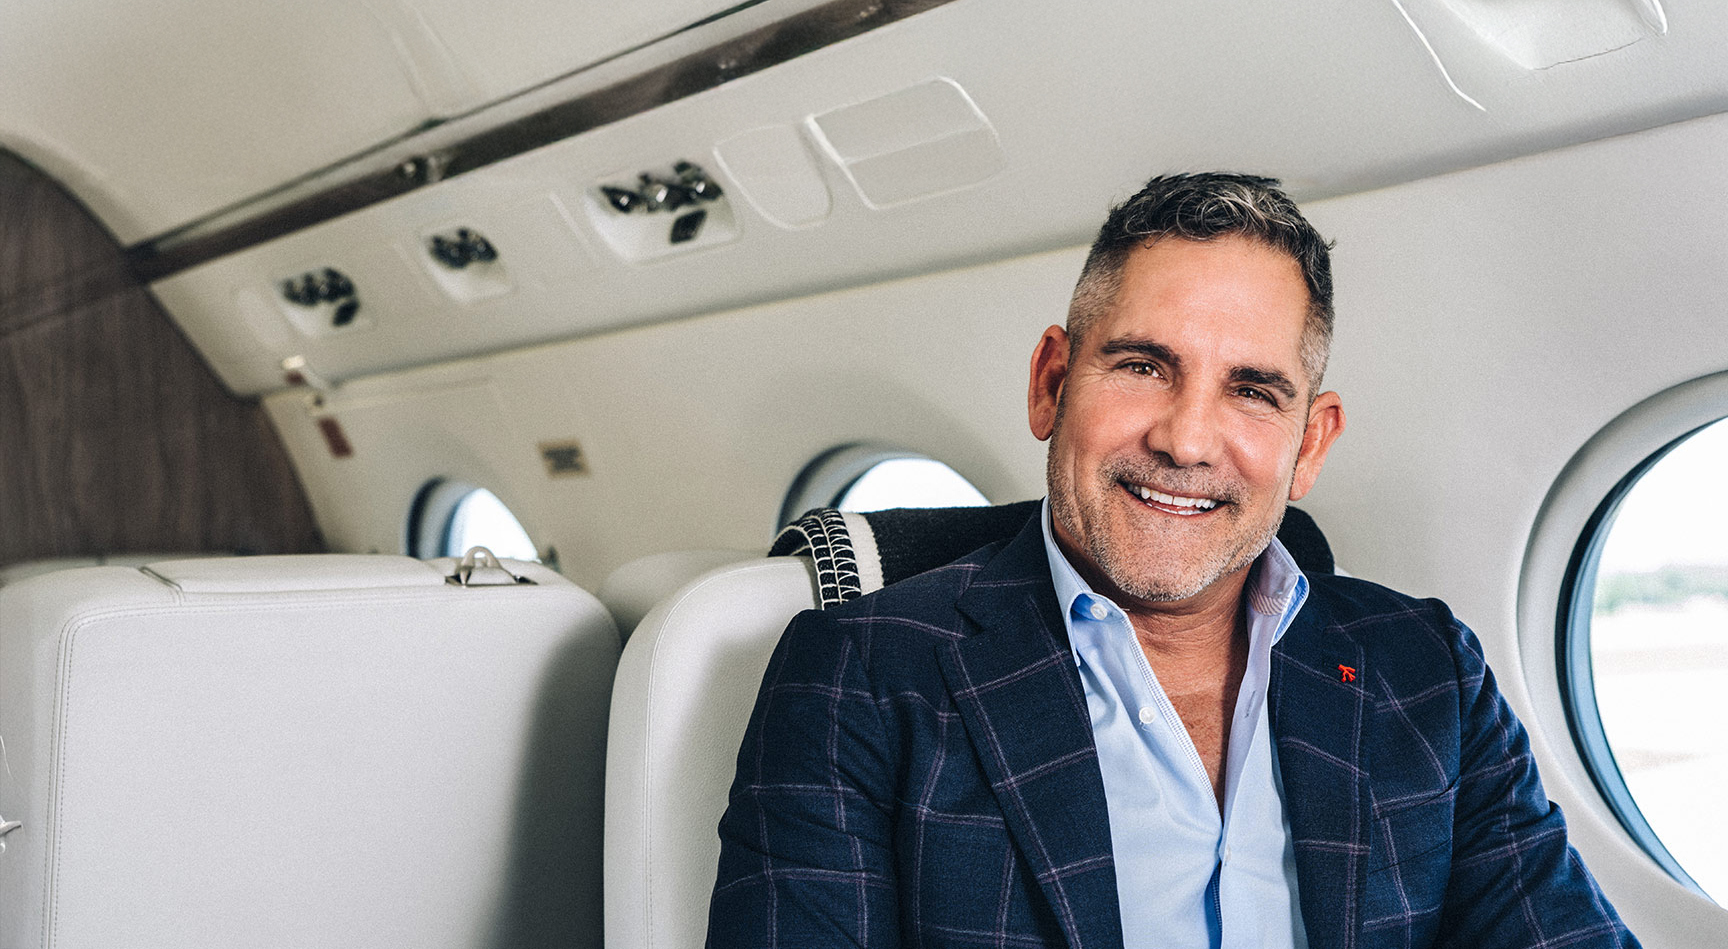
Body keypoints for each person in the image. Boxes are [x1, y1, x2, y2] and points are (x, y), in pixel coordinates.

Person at [707, 173, 1638, 949]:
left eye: (1252, 390)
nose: (1187, 440)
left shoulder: (1428, 670)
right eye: (1143, 366)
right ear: (1051, 384)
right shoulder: (861, 677)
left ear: (1310, 445)